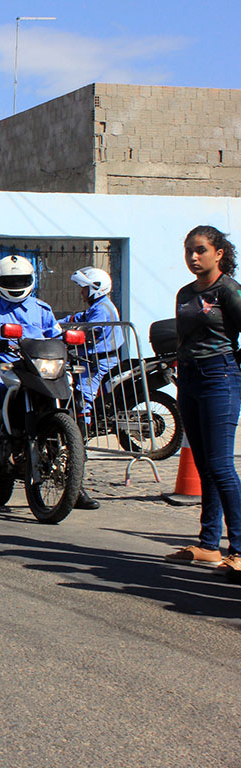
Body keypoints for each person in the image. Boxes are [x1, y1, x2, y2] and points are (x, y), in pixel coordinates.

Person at [0, 255, 100, 509]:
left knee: (73, 408)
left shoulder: (42, 309)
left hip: (40, 371)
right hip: (5, 369)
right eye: (10, 280)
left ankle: (74, 483)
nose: (16, 283)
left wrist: (71, 347)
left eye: (21, 279)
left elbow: (57, 337)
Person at [165, 226, 241, 574]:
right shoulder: (184, 293)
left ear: (218, 253)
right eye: (188, 252)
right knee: (205, 465)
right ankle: (209, 544)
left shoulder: (228, 291)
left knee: (222, 465)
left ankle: (238, 548)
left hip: (220, 376)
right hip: (190, 378)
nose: (193, 258)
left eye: (200, 251)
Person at [57, 266, 124, 422]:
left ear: (96, 288)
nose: (82, 292)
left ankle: (82, 435)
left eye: (85, 288)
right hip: (97, 358)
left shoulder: (101, 309)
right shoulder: (99, 306)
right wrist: (53, 324)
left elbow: (88, 331)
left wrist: (67, 336)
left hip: (98, 361)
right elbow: (79, 318)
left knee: (83, 397)